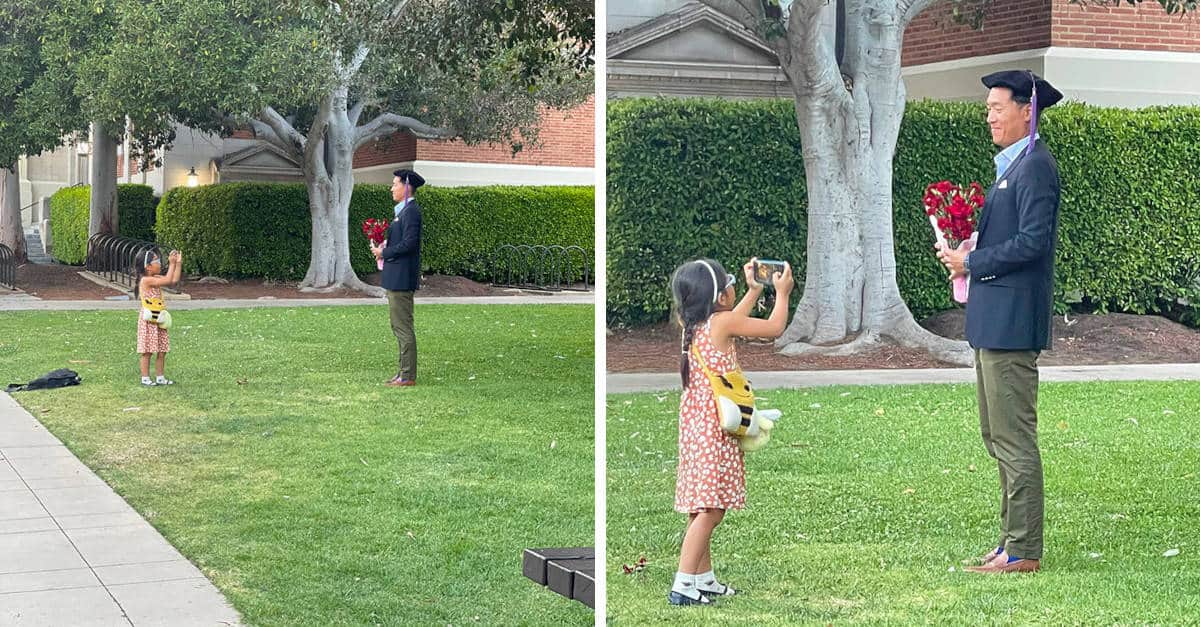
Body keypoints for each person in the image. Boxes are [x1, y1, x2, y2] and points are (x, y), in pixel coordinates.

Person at [937, 70, 1063, 574]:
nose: (989, 115)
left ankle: (1023, 549)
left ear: (1026, 110)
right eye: (987, 107)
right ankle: (1010, 542)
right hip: (993, 321)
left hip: (1012, 324)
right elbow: (1007, 242)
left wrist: (974, 262)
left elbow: (1033, 243)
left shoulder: (1035, 168)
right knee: (997, 436)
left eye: (997, 106)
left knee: (1013, 438)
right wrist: (965, 250)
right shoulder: (1009, 169)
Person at [667, 257, 793, 605]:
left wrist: (753, 290)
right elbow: (774, 327)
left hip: (697, 428)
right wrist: (781, 292)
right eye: (732, 282)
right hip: (714, 431)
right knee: (712, 509)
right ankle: (683, 584)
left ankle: (702, 578)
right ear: (720, 295)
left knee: (701, 507)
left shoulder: (696, 323)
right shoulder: (720, 322)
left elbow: (731, 319)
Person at [372, 168, 424, 387]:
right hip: (396, 276)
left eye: (395, 184)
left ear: (406, 186)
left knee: (402, 326)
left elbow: (410, 243)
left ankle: (407, 375)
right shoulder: (402, 212)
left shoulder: (411, 211)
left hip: (402, 278)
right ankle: (403, 372)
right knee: (398, 325)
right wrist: (383, 246)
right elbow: (400, 242)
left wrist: (384, 252)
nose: (392, 188)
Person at [135, 249, 183, 386]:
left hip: (159, 319)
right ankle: (145, 378)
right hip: (149, 321)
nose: (159, 263)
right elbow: (168, 279)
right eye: (156, 261)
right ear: (148, 266)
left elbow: (173, 280)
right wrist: (171, 263)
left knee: (162, 350)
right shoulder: (146, 280)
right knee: (147, 351)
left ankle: (160, 377)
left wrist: (178, 264)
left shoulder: (155, 278)